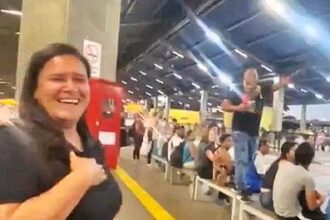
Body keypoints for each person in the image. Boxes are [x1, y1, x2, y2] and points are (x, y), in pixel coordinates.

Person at [0, 43, 122, 219]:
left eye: (80, 80)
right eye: (57, 79)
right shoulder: (14, 141)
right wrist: (81, 179)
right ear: (35, 90)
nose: (71, 88)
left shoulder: (90, 144)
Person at [221, 68, 289, 199]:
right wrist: (238, 108)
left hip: (253, 131)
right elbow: (224, 105)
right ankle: (240, 186)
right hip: (239, 129)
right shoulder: (237, 90)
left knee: (250, 159)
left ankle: (243, 182)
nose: (252, 83)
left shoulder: (261, 89)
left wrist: (283, 83)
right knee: (242, 159)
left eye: (254, 78)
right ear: (245, 80)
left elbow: (274, 87)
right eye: (250, 79)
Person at [273, 142, 325, 220]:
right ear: (311, 158)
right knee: (319, 215)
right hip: (290, 216)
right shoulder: (306, 176)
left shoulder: (283, 164)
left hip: (277, 210)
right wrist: (321, 200)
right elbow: (312, 207)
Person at [259, 141, 297, 210]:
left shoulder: (278, 162)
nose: (296, 153)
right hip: (268, 198)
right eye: (294, 150)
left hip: (264, 196)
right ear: (287, 153)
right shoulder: (284, 164)